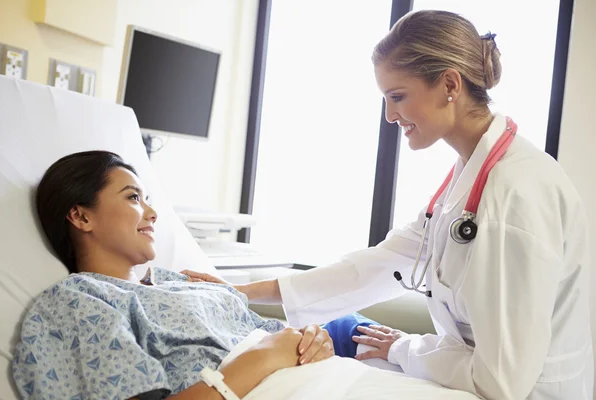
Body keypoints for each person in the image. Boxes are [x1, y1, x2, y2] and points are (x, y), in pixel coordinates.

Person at [188, 9, 594, 400]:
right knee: (344, 332)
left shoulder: (515, 196)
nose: (389, 115)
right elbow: (378, 265)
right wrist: (239, 291)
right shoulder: (469, 177)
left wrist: (405, 349)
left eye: (397, 96)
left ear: (450, 85)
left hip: (521, 392)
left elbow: (502, 383)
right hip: (468, 372)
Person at [12, 151, 335, 399]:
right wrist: (264, 358)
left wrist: (313, 340)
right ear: (80, 216)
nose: (152, 213)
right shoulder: (77, 301)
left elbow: (283, 337)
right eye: (133, 197)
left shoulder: (180, 281)